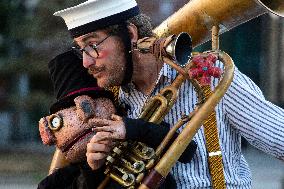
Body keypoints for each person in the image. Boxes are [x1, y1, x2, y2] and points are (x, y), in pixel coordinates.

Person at [53, 0, 284, 188]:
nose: (85, 62)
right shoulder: (110, 99)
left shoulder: (210, 76)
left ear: (131, 34)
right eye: (81, 49)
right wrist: (95, 167)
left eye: (93, 45)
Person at [38, 50, 196, 189]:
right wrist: (93, 170)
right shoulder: (68, 177)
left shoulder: (136, 125)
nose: (86, 116)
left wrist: (132, 129)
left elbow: (187, 150)